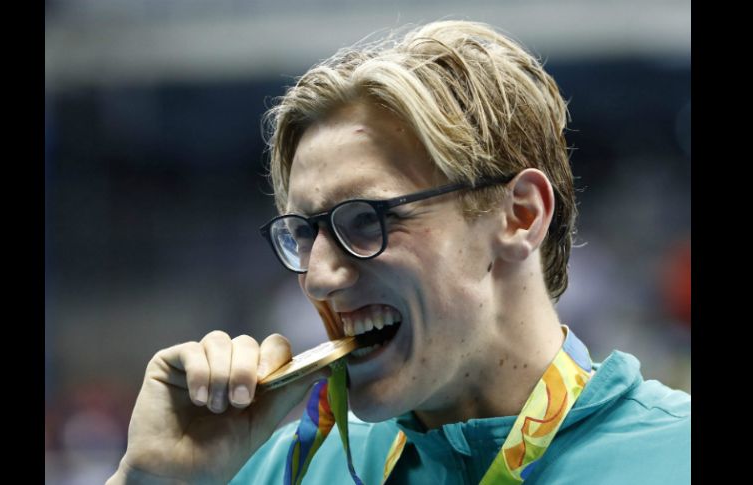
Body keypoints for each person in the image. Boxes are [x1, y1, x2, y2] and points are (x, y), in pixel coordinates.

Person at [106, 20, 690, 485]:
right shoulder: (280, 470)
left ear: (520, 216)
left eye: (367, 220)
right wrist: (153, 481)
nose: (317, 278)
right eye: (304, 235)